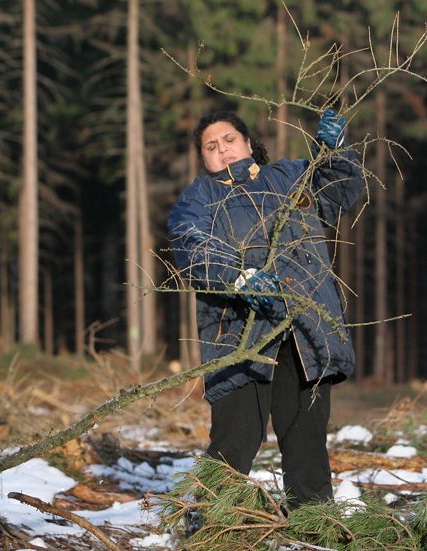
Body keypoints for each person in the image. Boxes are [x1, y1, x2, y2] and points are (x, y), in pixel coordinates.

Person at [167, 109, 364, 514]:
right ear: (203, 158)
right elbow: (191, 248)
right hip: (239, 337)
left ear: (248, 142)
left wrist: (334, 152)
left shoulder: (290, 176)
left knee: (307, 443)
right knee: (234, 441)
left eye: (229, 140)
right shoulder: (199, 198)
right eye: (211, 146)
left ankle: (314, 525)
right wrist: (237, 277)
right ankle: (213, 526)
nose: (222, 150)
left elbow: (341, 192)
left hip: (305, 331)